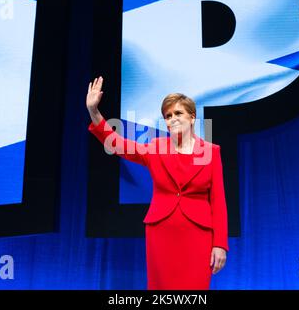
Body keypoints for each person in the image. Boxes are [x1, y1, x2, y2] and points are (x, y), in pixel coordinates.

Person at [86, 76, 228, 290]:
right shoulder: (156, 148)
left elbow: (218, 201)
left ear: (192, 117)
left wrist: (220, 244)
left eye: (178, 113)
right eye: (168, 116)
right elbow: (117, 145)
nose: (172, 119)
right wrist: (94, 112)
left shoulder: (211, 152)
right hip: (162, 232)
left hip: (198, 234)